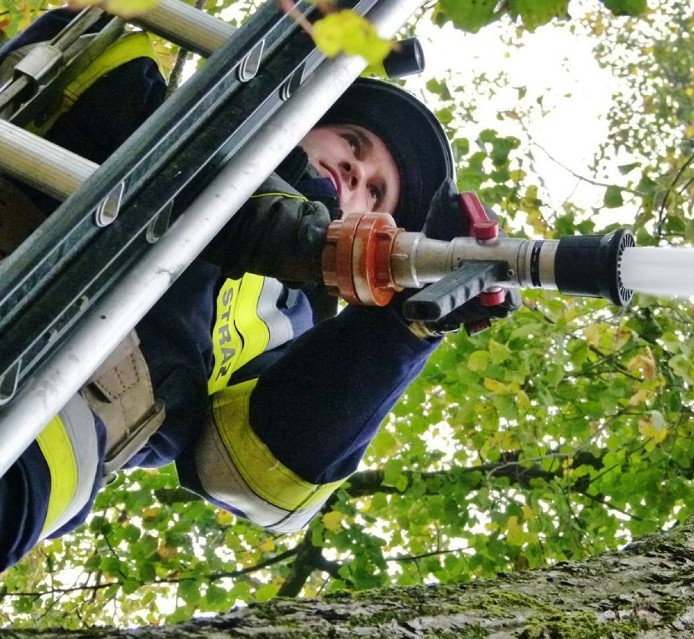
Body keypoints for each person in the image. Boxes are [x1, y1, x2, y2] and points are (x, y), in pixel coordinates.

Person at [0, 8, 519, 571]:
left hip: (40, 442)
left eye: (375, 195)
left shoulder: (293, 330)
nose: (352, 174)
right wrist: (294, 206)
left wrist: (402, 330)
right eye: (353, 142)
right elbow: (76, 62)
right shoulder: (169, 112)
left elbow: (258, 481)